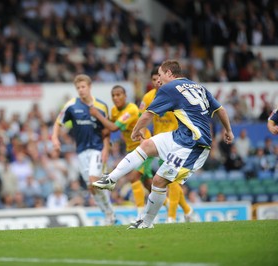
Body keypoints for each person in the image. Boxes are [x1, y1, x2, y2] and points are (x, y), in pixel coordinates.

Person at [93, 60, 234, 229]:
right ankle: (111, 179)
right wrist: (229, 131)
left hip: (194, 145)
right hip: (180, 136)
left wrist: (136, 130)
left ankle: (147, 222)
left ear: (169, 73)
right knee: (146, 146)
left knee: (159, 181)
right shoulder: (198, 86)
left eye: (160, 75)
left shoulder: (169, 88)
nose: (158, 80)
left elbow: (146, 116)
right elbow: (221, 110)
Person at [52, 74, 115, 225]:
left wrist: (106, 148)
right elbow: (58, 122)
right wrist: (54, 138)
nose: (81, 90)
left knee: (94, 180)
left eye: (83, 87)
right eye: (78, 88)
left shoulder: (101, 106)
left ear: (89, 87)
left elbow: (107, 130)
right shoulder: (71, 105)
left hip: (97, 149)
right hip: (81, 151)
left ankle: (109, 214)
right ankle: (108, 214)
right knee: (91, 187)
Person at [138, 66, 196, 224]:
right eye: (154, 79)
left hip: (175, 142)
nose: (157, 81)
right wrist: (143, 134)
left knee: (171, 179)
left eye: (159, 77)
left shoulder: (175, 95)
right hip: (158, 142)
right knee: (146, 177)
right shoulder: (148, 98)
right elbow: (141, 117)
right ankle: (188, 211)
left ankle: (171, 217)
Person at [89, 85, 149, 221]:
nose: (116, 98)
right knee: (150, 184)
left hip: (144, 145)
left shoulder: (131, 109)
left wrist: (97, 114)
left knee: (134, 177)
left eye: (119, 95)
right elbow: (107, 128)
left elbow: (114, 127)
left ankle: (140, 217)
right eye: (113, 96)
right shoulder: (114, 110)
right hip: (131, 148)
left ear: (125, 96)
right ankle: (181, 210)